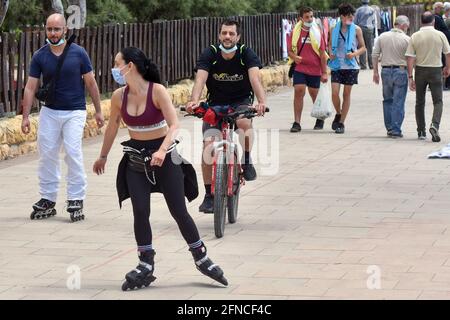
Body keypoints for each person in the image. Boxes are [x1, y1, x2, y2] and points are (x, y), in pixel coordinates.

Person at [93, 47, 228, 290]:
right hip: (136, 161)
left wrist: (162, 150)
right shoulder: (118, 96)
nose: (115, 68)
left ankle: (201, 257)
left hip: (166, 158)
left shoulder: (157, 91)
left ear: (130, 65)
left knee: (178, 210)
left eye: (117, 63)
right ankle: (146, 263)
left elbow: (174, 124)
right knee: (140, 211)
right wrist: (102, 156)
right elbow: (112, 126)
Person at [20, 13, 104, 221]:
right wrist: (25, 117)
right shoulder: (40, 55)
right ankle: (48, 198)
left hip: (74, 111)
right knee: (46, 154)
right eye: (50, 29)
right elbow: (30, 87)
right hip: (49, 111)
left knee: (72, 151)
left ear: (65, 29)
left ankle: (76, 197)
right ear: (45, 30)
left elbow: (91, 83)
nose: (53, 33)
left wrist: (99, 110)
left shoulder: (79, 53)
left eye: (57, 29)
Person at [186, 20, 267, 214]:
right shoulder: (210, 53)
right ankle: (209, 195)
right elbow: (200, 78)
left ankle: (246, 160)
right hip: (216, 104)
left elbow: (255, 78)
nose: (227, 37)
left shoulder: (246, 53)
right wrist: (194, 101)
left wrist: (261, 102)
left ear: (238, 37)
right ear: (219, 35)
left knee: (243, 122)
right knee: (208, 147)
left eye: (231, 33)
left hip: (241, 101)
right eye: (224, 33)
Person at [406, 11, 450, 142]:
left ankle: (421, 131)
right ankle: (434, 125)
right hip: (436, 70)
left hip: (420, 70)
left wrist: (410, 77)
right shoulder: (440, 34)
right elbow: (448, 53)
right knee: (438, 101)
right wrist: (447, 67)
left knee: (420, 102)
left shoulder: (415, 36)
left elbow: (409, 57)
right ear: (434, 21)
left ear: (421, 21)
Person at [287, 6, 329, 133]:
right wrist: (295, 57)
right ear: (300, 18)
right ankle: (297, 122)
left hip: (315, 68)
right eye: (307, 17)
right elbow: (289, 51)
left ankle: (320, 117)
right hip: (300, 67)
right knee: (299, 91)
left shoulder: (317, 32)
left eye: (311, 16)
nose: (310, 19)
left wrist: (324, 72)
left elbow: (322, 53)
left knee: (314, 94)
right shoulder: (294, 32)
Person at [328, 3, 366, 134]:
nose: (351, 18)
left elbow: (363, 47)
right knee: (334, 93)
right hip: (337, 65)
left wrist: (354, 54)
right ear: (341, 16)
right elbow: (329, 45)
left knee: (346, 94)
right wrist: (330, 53)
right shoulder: (333, 29)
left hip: (351, 66)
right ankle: (338, 113)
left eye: (352, 16)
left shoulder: (357, 29)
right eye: (349, 16)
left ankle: (341, 123)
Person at [372, 16, 411, 139]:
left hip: (385, 71)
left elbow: (374, 54)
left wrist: (375, 72)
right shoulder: (407, 39)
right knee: (398, 102)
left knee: (387, 100)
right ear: (404, 25)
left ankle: (389, 128)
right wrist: (411, 76)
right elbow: (410, 58)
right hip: (401, 70)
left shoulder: (382, 36)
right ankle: (395, 129)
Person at [354, 0, 376, 70]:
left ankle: (363, 65)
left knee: (362, 47)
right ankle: (371, 65)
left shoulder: (358, 10)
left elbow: (355, 21)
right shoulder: (372, 10)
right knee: (370, 48)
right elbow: (374, 21)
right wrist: (374, 31)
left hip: (360, 29)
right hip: (369, 29)